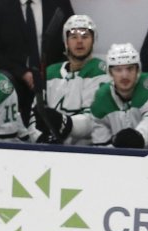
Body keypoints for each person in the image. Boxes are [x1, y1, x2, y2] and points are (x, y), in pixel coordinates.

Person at [0, 0, 74, 122]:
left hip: (53, 78)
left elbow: (71, 44)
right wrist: (23, 73)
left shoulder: (59, 2)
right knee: (3, 82)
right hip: (15, 78)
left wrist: (51, 72)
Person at [32, 14, 109, 145]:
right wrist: (40, 137)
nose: (79, 41)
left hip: (87, 153)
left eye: (85, 36)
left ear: (93, 40)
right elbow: (34, 114)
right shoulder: (50, 72)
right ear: (66, 41)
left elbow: (93, 120)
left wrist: (64, 123)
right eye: (73, 37)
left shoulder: (101, 71)